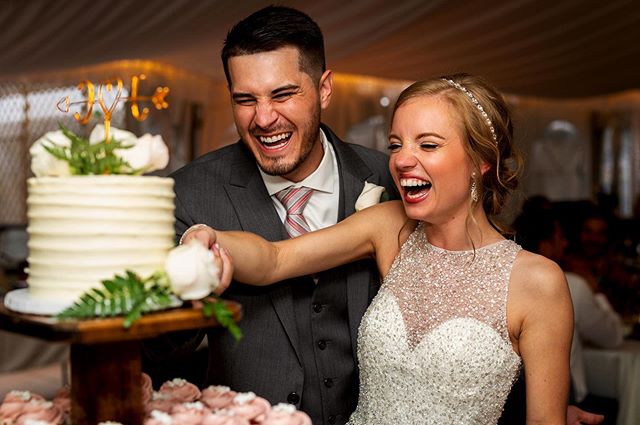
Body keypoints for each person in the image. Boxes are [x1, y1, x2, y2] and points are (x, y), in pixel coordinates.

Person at [195, 74, 575, 423]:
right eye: (396, 144)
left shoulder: (538, 282)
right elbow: (274, 259)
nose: (402, 160)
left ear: (481, 162)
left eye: (428, 144)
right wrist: (206, 239)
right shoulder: (390, 227)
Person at [142, 6, 397, 425]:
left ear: (324, 88)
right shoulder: (189, 193)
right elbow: (157, 352)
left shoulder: (389, 179)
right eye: (245, 100)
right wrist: (189, 299)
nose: (264, 119)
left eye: (282, 95)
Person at [514, 199, 624, 424]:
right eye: (560, 238)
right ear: (545, 244)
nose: (564, 244)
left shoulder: (506, 282)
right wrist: (597, 293)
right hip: (568, 400)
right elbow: (613, 337)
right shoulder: (570, 283)